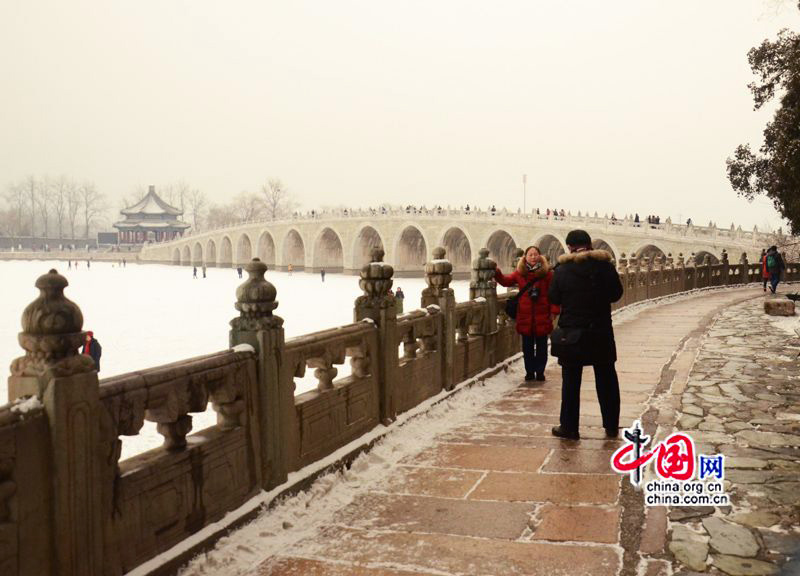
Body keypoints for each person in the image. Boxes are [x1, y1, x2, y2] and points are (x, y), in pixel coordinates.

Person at [548, 229, 623, 440]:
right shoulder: (605, 266)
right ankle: (610, 425)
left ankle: (569, 427)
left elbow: (554, 296)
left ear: (570, 246)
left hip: (572, 334)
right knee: (606, 377)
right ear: (590, 245)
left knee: (571, 381)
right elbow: (617, 294)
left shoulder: (563, 270)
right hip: (600, 331)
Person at [495, 246, 559, 381]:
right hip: (525, 316)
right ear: (525, 257)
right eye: (530, 255)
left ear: (540, 257)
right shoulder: (520, 273)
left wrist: (554, 311)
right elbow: (506, 281)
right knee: (527, 347)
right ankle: (530, 372)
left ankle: (540, 372)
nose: (533, 257)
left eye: (536, 254)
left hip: (542, 315)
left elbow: (554, 294)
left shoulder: (548, 274)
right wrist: (496, 272)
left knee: (542, 347)